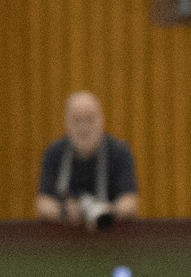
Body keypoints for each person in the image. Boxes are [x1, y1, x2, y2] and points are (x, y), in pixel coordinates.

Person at [36, 91, 138, 227]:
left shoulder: (119, 151)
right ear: (66, 122)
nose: (84, 127)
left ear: (101, 120)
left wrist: (107, 211)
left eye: (90, 119)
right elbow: (43, 203)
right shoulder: (54, 152)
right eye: (77, 120)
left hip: (108, 232)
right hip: (67, 232)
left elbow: (130, 202)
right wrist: (65, 211)